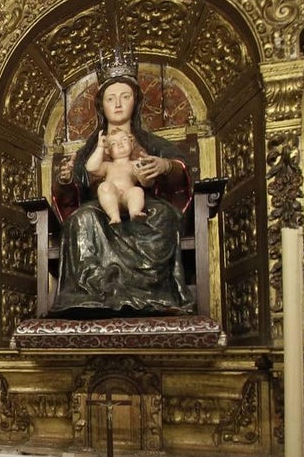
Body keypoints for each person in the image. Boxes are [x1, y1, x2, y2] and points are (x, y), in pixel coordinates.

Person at [49, 64, 196, 317]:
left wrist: (165, 166)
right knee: (80, 220)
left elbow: (179, 174)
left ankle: (151, 291)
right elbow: (76, 186)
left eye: (125, 97)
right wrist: (66, 179)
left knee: (163, 217)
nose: (117, 104)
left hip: (143, 202)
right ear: (101, 106)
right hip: (100, 205)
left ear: (135, 103)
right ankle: (95, 290)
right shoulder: (91, 148)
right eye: (110, 98)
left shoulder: (152, 143)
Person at [85, 127, 145, 224]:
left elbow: (146, 180)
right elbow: (91, 168)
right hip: (112, 197)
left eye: (124, 140)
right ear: (108, 151)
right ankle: (114, 216)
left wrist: (144, 174)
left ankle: (135, 212)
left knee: (137, 191)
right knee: (104, 187)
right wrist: (100, 147)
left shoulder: (135, 164)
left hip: (128, 196)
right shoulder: (108, 166)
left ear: (132, 144)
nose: (119, 144)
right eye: (113, 143)